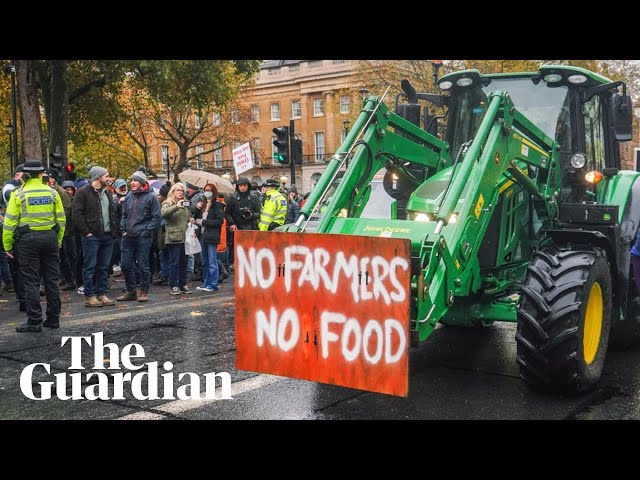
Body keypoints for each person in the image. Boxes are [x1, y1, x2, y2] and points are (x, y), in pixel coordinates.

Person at [2, 160, 66, 332]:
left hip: (27, 241)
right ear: (40, 174)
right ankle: (53, 319)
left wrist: (7, 245)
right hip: (50, 238)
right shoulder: (52, 193)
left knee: (31, 281)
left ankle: (34, 321)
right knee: (52, 280)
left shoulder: (19, 194)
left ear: (24, 175)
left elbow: (9, 223)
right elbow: (61, 219)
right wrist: (58, 239)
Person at [72, 165, 118, 307]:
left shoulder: (107, 192)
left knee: (104, 266)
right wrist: (86, 232)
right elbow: (76, 213)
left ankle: (101, 293)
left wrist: (113, 230)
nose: (108, 177)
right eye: (106, 175)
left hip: (107, 234)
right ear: (98, 177)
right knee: (90, 266)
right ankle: (90, 295)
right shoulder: (83, 192)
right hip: (92, 236)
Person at [117, 171, 161, 302]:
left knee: (143, 265)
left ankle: (143, 290)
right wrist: (123, 228)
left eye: (135, 180)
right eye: (131, 180)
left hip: (143, 237)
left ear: (142, 182)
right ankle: (131, 291)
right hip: (128, 236)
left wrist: (146, 231)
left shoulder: (151, 197)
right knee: (125, 264)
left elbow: (157, 217)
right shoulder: (130, 196)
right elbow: (124, 214)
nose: (132, 183)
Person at [161, 182, 193, 295]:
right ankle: (174, 285)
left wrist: (190, 219)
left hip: (185, 237)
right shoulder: (167, 202)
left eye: (182, 190)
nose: (180, 192)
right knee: (174, 262)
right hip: (174, 237)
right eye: (178, 190)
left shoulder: (185, 204)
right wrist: (176, 206)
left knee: (184, 262)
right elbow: (163, 214)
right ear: (172, 191)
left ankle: (183, 284)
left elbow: (187, 216)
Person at [194, 183, 224, 292]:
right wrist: (197, 209)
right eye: (205, 190)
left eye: (210, 190)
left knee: (212, 261)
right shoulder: (202, 205)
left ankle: (212, 284)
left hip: (212, 236)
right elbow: (195, 217)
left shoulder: (217, 205)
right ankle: (205, 283)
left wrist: (203, 222)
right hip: (202, 235)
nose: (207, 192)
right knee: (204, 261)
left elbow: (219, 221)